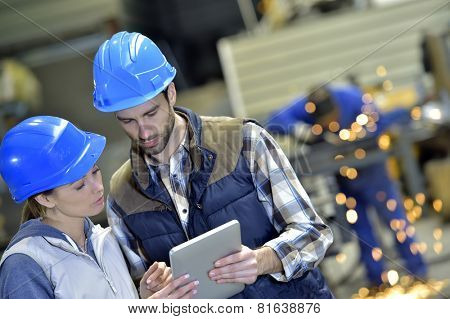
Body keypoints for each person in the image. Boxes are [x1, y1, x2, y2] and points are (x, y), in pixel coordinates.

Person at [92, 31, 334, 298]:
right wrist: (148, 295)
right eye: (128, 121)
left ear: (171, 94)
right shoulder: (120, 195)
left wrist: (262, 260)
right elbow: (136, 291)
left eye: (151, 113)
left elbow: (314, 234)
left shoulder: (244, 141)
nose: (144, 132)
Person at [0, 116, 198, 299]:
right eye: (79, 186)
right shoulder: (24, 265)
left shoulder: (105, 241)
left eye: (95, 172)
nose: (98, 187)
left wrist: (142, 298)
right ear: (44, 199)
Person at [266, 84, 427, 286]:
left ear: (336, 109)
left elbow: (379, 121)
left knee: (394, 219)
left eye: (332, 119)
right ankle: (377, 280)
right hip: (344, 175)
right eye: (324, 123)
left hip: (372, 169)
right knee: (361, 228)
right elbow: (274, 119)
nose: (329, 124)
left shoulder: (352, 99)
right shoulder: (307, 107)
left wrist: (362, 133)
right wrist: (299, 130)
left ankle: (418, 271)